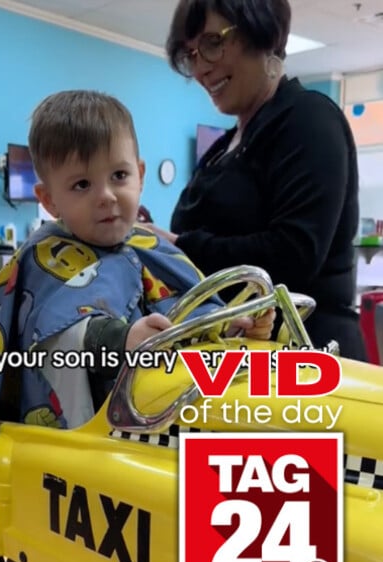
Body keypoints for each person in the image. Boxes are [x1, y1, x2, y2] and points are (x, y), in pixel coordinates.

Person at [0, 90, 274, 562]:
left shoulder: (153, 246)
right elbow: (55, 341)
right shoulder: (45, 260)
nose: (106, 196)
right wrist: (123, 340)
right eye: (82, 185)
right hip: (96, 480)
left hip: (174, 459)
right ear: (49, 198)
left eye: (119, 176)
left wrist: (241, 327)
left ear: (141, 174)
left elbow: (199, 313)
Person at [148, 0, 365, 360]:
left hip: (306, 356)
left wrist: (179, 245)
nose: (201, 67)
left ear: (262, 32)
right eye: (190, 55)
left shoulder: (309, 119)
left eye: (213, 43)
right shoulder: (223, 147)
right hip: (241, 357)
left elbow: (294, 252)